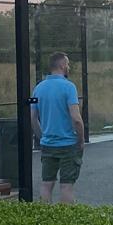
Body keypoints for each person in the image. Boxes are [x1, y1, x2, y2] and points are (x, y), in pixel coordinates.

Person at [31, 51, 85, 203]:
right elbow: (76, 119)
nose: (68, 67)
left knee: (46, 184)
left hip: (48, 144)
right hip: (68, 144)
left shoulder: (38, 88)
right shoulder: (69, 87)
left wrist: (43, 137)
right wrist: (80, 140)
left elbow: (32, 118)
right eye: (67, 64)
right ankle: (66, 216)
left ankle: (45, 214)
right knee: (66, 186)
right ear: (62, 65)